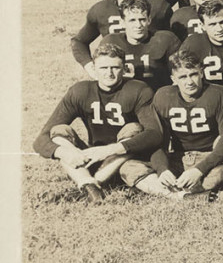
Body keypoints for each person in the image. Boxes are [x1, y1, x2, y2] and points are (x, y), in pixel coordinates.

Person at [34, 43, 170, 201]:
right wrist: (65, 153)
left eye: (115, 67)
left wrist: (109, 150)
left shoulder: (138, 89)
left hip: (124, 160)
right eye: (104, 68)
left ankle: (90, 185)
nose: (109, 73)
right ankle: (89, 184)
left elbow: (154, 134)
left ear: (125, 68)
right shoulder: (81, 91)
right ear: (93, 68)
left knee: (133, 128)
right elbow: (41, 139)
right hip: (91, 160)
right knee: (60, 131)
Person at [148, 51, 223, 196]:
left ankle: (172, 193)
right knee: (130, 168)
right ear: (173, 79)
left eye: (193, 74)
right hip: (178, 157)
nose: (189, 82)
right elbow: (155, 139)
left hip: (209, 157)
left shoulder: (219, 93)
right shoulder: (163, 96)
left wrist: (200, 169)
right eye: (182, 77)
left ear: (202, 73)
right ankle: (184, 193)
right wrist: (162, 169)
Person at [71, 0, 171, 76]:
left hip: (151, 73)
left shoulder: (158, 8)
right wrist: (91, 68)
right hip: (116, 75)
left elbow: (173, 43)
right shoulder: (102, 10)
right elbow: (78, 42)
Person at [99, 0, 180, 90]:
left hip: (157, 97)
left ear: (149, 20)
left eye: (142, 19)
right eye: (132, 20)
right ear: (122, 22)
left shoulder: (165, 39)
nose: (138, 25)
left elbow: (180, 74)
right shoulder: (111, 42)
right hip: (126, 97)